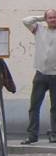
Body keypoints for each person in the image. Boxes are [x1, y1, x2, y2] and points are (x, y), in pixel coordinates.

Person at [21, 9, 56, 144]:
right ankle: (32, 135)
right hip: (41, 74)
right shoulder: (39, 29)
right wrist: (42, 17)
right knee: (34, 106)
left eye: (54, 17)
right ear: (46, 19)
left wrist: (47, 16)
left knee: (55, 107)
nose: (53, 20)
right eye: (50, 18)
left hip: (55, 75)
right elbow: (25, 21)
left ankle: (54, 134)